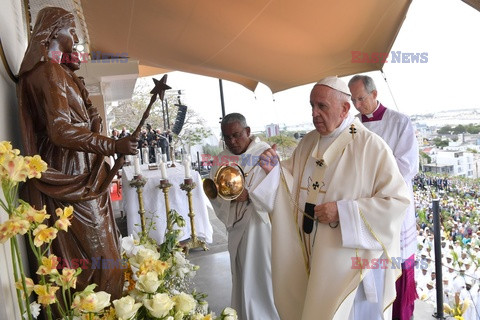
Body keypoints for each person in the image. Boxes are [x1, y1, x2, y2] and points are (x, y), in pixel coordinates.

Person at [251, 76, 410, 319]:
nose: (314, 113)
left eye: (322, 106)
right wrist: (275, 172)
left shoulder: (371, 146)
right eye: (312, 106)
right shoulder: (308, 141)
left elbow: (397, 202)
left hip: (351, 265)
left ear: (345, 108)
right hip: (312, 254)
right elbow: (290, 186)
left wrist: (344, 212)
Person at [17, 7, 138, 300]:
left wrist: (98, 131)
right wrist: (111, 145)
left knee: (104, 252)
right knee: (100, 260)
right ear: (55, 30)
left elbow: (78, 122)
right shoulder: (48, 71)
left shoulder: (59, 72)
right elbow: (59, 130)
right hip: (70, 174)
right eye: (72, 30)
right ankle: (99, 310)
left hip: (84, 172)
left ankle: (103, 308)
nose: (76, 37)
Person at [348, 74, 419, 320]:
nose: (357, 105)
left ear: (375, 94)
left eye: (361, 98)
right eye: (354, 100)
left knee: (394, 268)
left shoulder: (399, 122)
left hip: (393, 207)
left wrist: (371, 178)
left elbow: (407, 166)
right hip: (365, 208)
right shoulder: (352, 126)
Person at [209, 113, 280, 320]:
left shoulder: (263, 153)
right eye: (227, 137)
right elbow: (214, 193)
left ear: (248, 131)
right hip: (236, 226)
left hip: (260, 225)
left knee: (261, 275)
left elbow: (277, 187)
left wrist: (250, 195)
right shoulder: (221, 159)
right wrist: (229, 197)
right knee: (241, 274)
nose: (232, 141)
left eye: (237, 135)